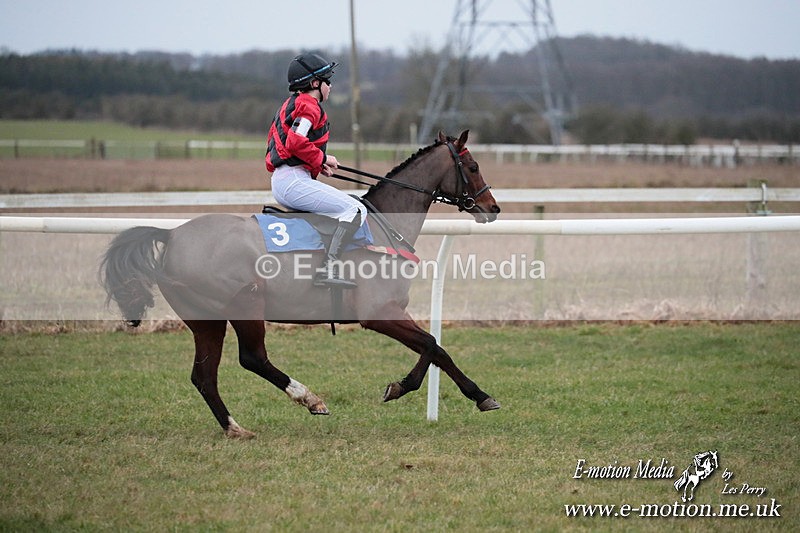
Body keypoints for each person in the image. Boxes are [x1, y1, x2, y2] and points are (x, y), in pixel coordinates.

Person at [266, 52, 367, 287]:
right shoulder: (308, 105)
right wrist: (321, 157)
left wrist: (318, 164)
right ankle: (328, 269)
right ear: (314, 84)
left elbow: (294, 147)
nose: (330, 86)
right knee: (355, 210)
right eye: (327, 81)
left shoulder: (293, 104)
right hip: (291, 181)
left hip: (287, 178)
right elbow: (295, 142)